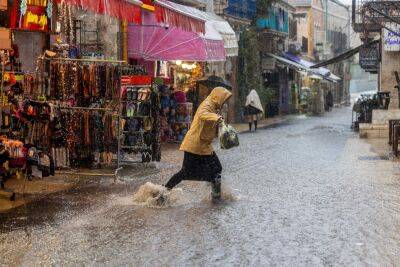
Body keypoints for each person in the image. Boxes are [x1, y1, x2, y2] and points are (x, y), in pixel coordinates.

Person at [163, 87, 232, 200]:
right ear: (216, 97)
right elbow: (203, 114)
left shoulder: (214, 106)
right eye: (223, 99)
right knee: (185, 173)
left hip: (204, 145)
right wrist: (217, 118)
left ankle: (216, 196)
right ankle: (163, 192)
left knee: (217, 169)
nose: (224, 102)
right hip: (194, 145)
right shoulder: (207, 105)